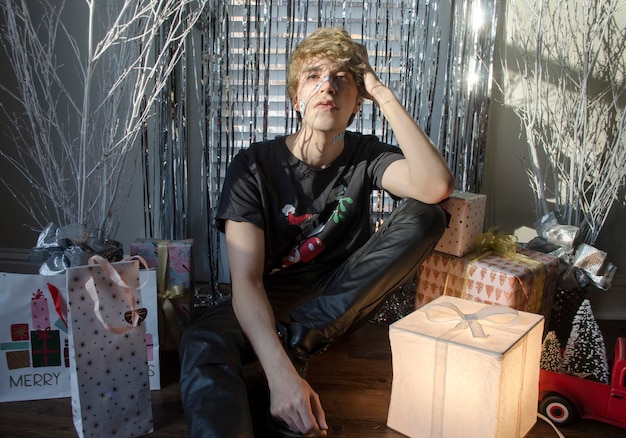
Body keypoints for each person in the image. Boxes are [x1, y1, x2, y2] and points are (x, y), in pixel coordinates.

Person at [180, 27, 455, 437]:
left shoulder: (367, 155)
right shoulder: (252, 167)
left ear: (355, 105)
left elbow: (436, 186)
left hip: (340, 293)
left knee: (428, 213)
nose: (328, 84)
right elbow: (246, 283)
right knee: (202, 341)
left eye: (342, 78)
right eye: (314, 75)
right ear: (296, 99)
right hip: (273, 294)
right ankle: (286, 354)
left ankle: (295, 343)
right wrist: (280, 376)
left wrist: (382, 94)